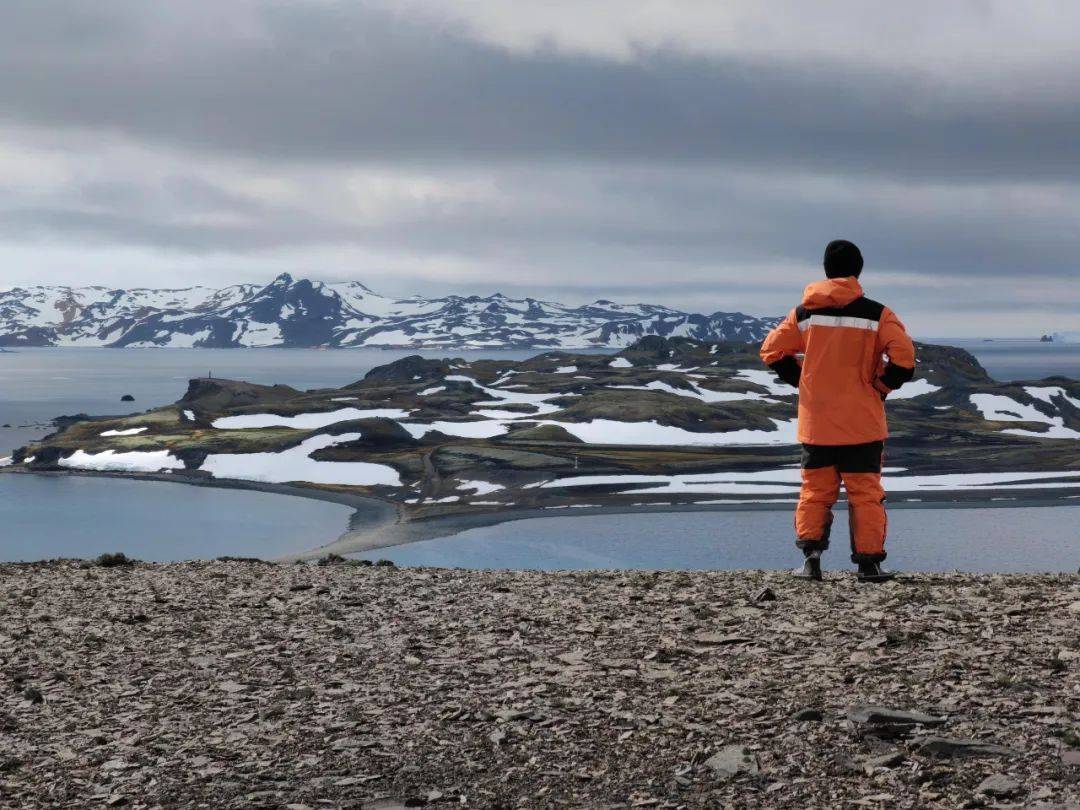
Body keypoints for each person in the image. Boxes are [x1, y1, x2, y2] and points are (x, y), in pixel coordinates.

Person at [759, 240, 916, 582]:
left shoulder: (804, 314)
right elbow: (904, 357)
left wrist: (801, 381)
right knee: (866, 495)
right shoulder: (878, 314)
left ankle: (811, 562)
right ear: (858, 271)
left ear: (826, 270)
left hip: (818, 426)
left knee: (815, 493)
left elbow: (771, 350)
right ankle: (869, 565)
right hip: (863, 425)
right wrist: (883, 387)